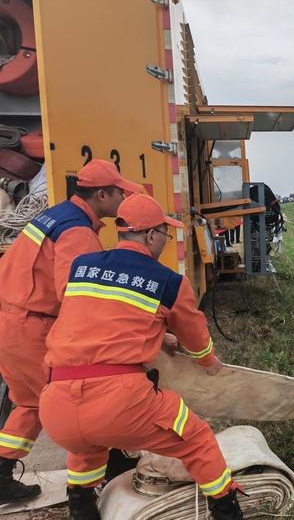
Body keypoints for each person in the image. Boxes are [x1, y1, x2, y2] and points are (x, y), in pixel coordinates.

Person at [38, 194, 244, 520]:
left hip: (55, 407)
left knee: (87, 444)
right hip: (118, 402)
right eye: (165, 233)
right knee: (196, 439)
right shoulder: (168, 281)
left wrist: (158, 336)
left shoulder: (81, 267)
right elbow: (195, 336)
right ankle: (227, 511)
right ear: (150, 235)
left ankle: (81, 509)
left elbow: (99, 319)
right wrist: (209, 363)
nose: (165, 240)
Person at [0, 159, 141, 504]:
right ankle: (102, 478)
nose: (124, 198)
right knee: (80, 401)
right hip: (29, 326)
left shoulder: (56, 215)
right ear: (102, 195)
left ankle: (1, 476)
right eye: (120, 192)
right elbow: (77, 295)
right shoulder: (78, 233)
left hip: (10, 320)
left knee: (30, 402)